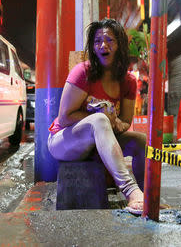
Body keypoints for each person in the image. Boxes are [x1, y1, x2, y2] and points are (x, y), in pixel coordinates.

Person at [48, 18, 146, 214]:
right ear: (92, 48)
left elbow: (126, 121)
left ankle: (146, 195)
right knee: (99, 120)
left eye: (110, 40)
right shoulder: (82, 72)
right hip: (64, 141)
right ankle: (131, 191)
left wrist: (116, 123)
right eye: (97, 41)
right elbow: (65, 117)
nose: (103, 45)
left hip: (99, 138)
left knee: (141, 140)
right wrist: (99, 115)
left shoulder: (128, 81)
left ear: (120, 45)